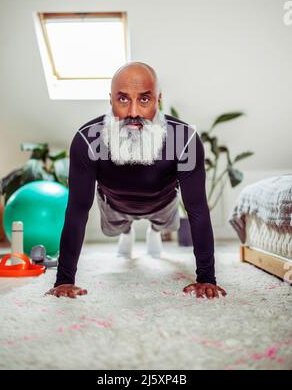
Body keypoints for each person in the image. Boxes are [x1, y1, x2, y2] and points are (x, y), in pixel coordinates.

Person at [46, 62, 227, 300]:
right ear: (110, 100)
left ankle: (154, 230)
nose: (133, 112)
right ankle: (127, 230)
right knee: (115, 229)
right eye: (123, 99)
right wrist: (64, 280)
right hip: (113, 206)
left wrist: (207, 278)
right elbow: (78, 210)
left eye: (144, 100)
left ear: (158, 100)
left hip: (164, 205)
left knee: (166, 226)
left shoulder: (184, 139)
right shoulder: (87, 139)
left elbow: (197, 209)